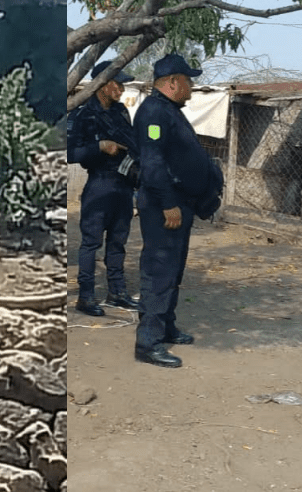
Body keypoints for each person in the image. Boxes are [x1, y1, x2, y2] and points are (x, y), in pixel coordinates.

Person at [133, 54, 223, 368]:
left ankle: (165, 326)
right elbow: (153, 163)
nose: (192, 87)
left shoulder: (169, 111)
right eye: (189, 81)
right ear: (174, 82)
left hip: (179, 205)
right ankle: (148, 342)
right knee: (159, 270)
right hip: (164, 207)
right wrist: (169, 203)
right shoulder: (154, 113)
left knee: (173, 270)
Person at [67, 61, 141, 316]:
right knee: (91, 242)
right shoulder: (83, 113)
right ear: (102, 84)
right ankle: (86, 297)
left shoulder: (121, 112)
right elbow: (68, 152)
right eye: (117, 83)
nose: (121, 88)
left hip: (123, 185)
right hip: (99, 183)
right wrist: (99, 147)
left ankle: (117, 293)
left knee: (118, 242)